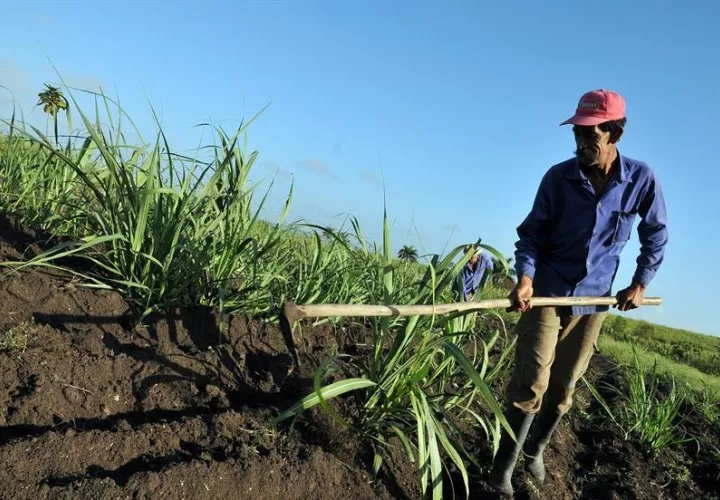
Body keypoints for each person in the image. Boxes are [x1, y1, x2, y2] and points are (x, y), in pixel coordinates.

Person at [489, 89, 668, 496]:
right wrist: (526, 278)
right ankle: (502, 470)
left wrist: (640, 283)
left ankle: (535, 450)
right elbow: (531, 236)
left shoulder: (641, 179)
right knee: (532, 382)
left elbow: (655, 233)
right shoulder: (558, 178)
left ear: (615, 134)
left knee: (565, 386)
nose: (582, 142)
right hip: (549, 293)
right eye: (578, 134)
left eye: (592, 134)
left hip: (595, 300)